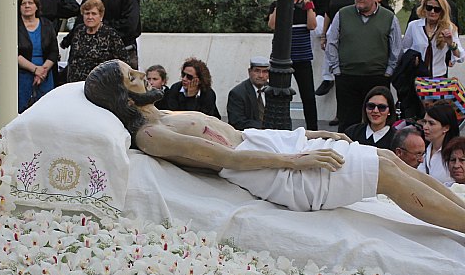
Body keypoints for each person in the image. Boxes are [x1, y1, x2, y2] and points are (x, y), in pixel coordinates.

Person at [84, 59, 465, 233]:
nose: (140, 74)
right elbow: (228, 156)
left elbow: (242, 138)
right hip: (277, 173)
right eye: (130, 77)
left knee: (384, 157)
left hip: (273, 148)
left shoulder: (163, 113)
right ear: (123, 96)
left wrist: (309, 136)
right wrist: (297, 159)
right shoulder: (152, 135)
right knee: (385, 174)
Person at [326, 0, 402, 133]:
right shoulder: (342, 14)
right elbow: (331, 42)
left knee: (378, 122)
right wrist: (336, 70)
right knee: (347, 123)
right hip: (347, 77)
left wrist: (388, 72)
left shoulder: (389, 18)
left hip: (377, 77)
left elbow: (396, 49)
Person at [268, 0, 318, 130]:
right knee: (277, 93)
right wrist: (280, 4)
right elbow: (272, 25)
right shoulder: (277, 4)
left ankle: (313, 129)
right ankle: (279, 127)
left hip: (302, 56)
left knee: (308, 96)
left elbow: (312, 25)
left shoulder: (307, 4)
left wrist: (308, 6)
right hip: (281, 58)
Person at [316, 0, 366, 98]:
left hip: (355, 31)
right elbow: (328, 11)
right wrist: (323, 35)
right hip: (335, 28)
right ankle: (328, 78)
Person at [401, 0, 463, 78]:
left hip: (439, 78)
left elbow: (460, 57)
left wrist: (450, 44)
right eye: (429, 8)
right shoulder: (414, 26)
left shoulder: (449, 28)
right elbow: (404, 48)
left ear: (442, 11)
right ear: (424, 8)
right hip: (417, 77)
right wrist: (412, 58)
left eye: (437, 9)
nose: (432, 12)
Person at [66, 0, 128, 84]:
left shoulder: (110, 34)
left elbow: (123, 62)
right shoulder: (79, 31)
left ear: (101, 16)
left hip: (100, 85)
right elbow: (72, 58)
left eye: (94, 14)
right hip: (76, 84)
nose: (90, 17)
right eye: (87, 13)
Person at [17, 0, 58, 112]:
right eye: (23, 3)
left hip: (45, 74)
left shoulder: (47, 25)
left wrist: (42, 71)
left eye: (30, 3)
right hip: (23, 75)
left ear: (36, 6)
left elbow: (54, 51)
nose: (27, 6)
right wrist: (35, 69)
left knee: (46, 111)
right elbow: (14, 53)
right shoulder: (14, 26)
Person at [418, 100, 460, 184]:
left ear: (446, 128)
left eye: (431, 123)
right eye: (424, 122)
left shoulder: (456, 154)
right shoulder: (424, 151)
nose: (425, 127)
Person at [226, 56, 269, 130]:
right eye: (257, 71)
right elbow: (237, 122)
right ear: (249, 72)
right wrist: (265, 126)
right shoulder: (237, 93)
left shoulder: (272, 90)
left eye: (265, 71)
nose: (261, 75)